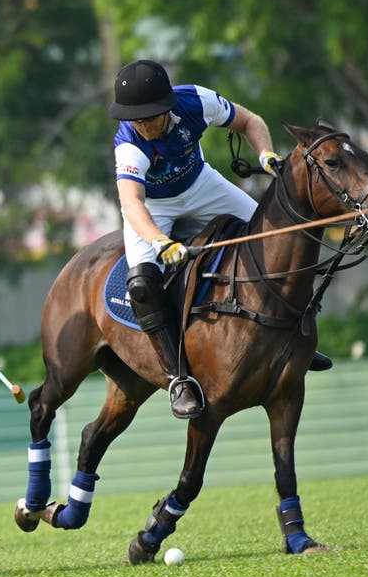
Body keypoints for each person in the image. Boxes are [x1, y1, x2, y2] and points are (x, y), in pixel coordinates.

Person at [109, 59, 331, 420]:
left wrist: (265, 153)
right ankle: (178, 379)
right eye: (134, 118)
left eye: (147, 117)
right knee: (142, 286)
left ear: (165, 109)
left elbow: (249, 121)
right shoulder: (129, 144)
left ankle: (297, 341)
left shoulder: (196, 101)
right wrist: (161, 242)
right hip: (153, 205)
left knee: (279, 234)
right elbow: (132, 204)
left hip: (201, 185)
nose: (140, 125)